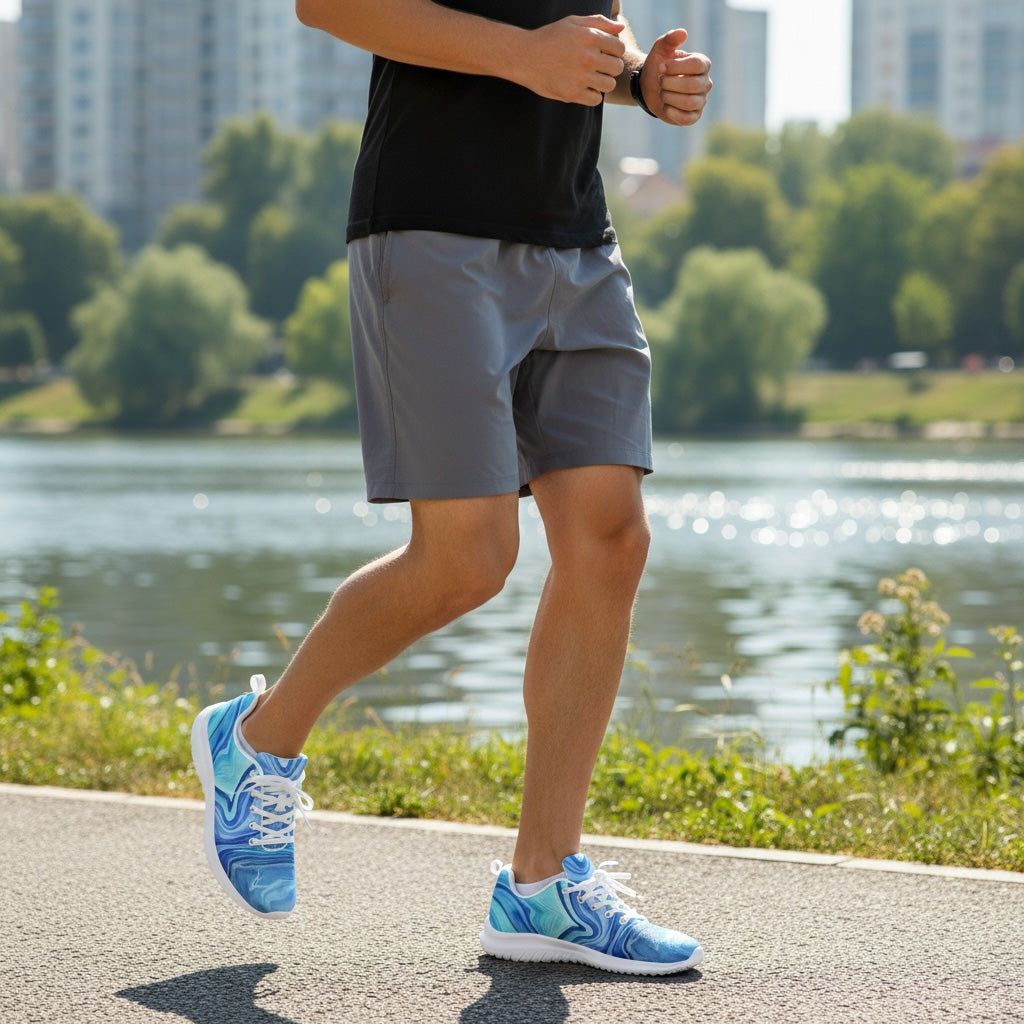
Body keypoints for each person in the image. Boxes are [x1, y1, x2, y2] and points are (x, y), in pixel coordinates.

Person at [191, 0, 712, 976]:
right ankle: (256, 739)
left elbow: (583, 31)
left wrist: (638, 77)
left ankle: (543, 884)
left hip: (577, 235)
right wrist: (522, 56)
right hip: (434, 226)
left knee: (610, 542)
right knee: (466, 560)